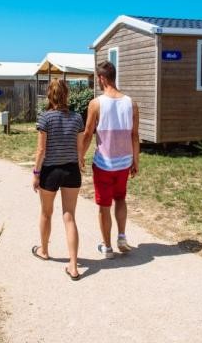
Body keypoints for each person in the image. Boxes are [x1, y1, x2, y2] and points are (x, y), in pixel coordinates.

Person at [82, 61, 140, 259]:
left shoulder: (96, 103)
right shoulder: (131, 103)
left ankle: (107, 247)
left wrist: (79, 156)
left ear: (102, 78)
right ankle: (122, 237)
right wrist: (136, 161)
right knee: (121, 198)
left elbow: (88, 133)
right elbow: (134, 135)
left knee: (104, 205)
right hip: (124, 162)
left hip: (103, 164)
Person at [32, 79, 85, 280]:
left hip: (50, 171)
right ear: (66, 95)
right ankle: (73, 265)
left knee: (46, 212)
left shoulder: (45, 118)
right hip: (71, 170)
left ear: (49, 95)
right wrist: (80, 161)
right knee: (69, 215)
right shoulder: (77, 118)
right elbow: (80, 148)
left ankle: (44, 250)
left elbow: (41, 150)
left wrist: (36, 174)